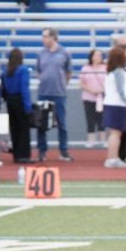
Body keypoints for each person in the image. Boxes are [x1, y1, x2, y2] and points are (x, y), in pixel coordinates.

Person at [35, 28, 73, 162]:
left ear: (53, 38)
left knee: (62, 124)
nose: (43, 39)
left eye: (45, 36)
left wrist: (62, 85)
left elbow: (68, 72)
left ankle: (63, 151)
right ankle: (42, 151)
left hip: (59, 94)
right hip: (43, 93)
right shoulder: (41, 53)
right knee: (41, 124)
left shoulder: (64, 53)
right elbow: (38, 71)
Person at [102, 46, 126, 168]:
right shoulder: (118, 72)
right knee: (115, 133)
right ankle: (112, 159)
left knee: (115, 133)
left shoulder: (117, 71)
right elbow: (122, 91)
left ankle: (113, 158)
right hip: (117, 105)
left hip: (115, 104)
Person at [1, 48, 34, 163]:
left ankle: (16, 154)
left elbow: (3, 89)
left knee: (14, 128)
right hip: (20, 100)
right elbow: (24, 89)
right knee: (24, 129)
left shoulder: (6, 71)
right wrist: (28, 107)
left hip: (10, 100)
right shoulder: (23, 70)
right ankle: (24, 155)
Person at [79, 49, 107, 146]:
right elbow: (81, 83)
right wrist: (91, 90)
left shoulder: (105, 68)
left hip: (102, 97)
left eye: (100, 55)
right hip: (88, 97)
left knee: (102, 119)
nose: (99, 57)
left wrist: (102, 90)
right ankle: (91, 140)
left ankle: (103, 139)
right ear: (91, 57)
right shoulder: (86, 68)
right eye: (96, 55)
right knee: (90, 118)